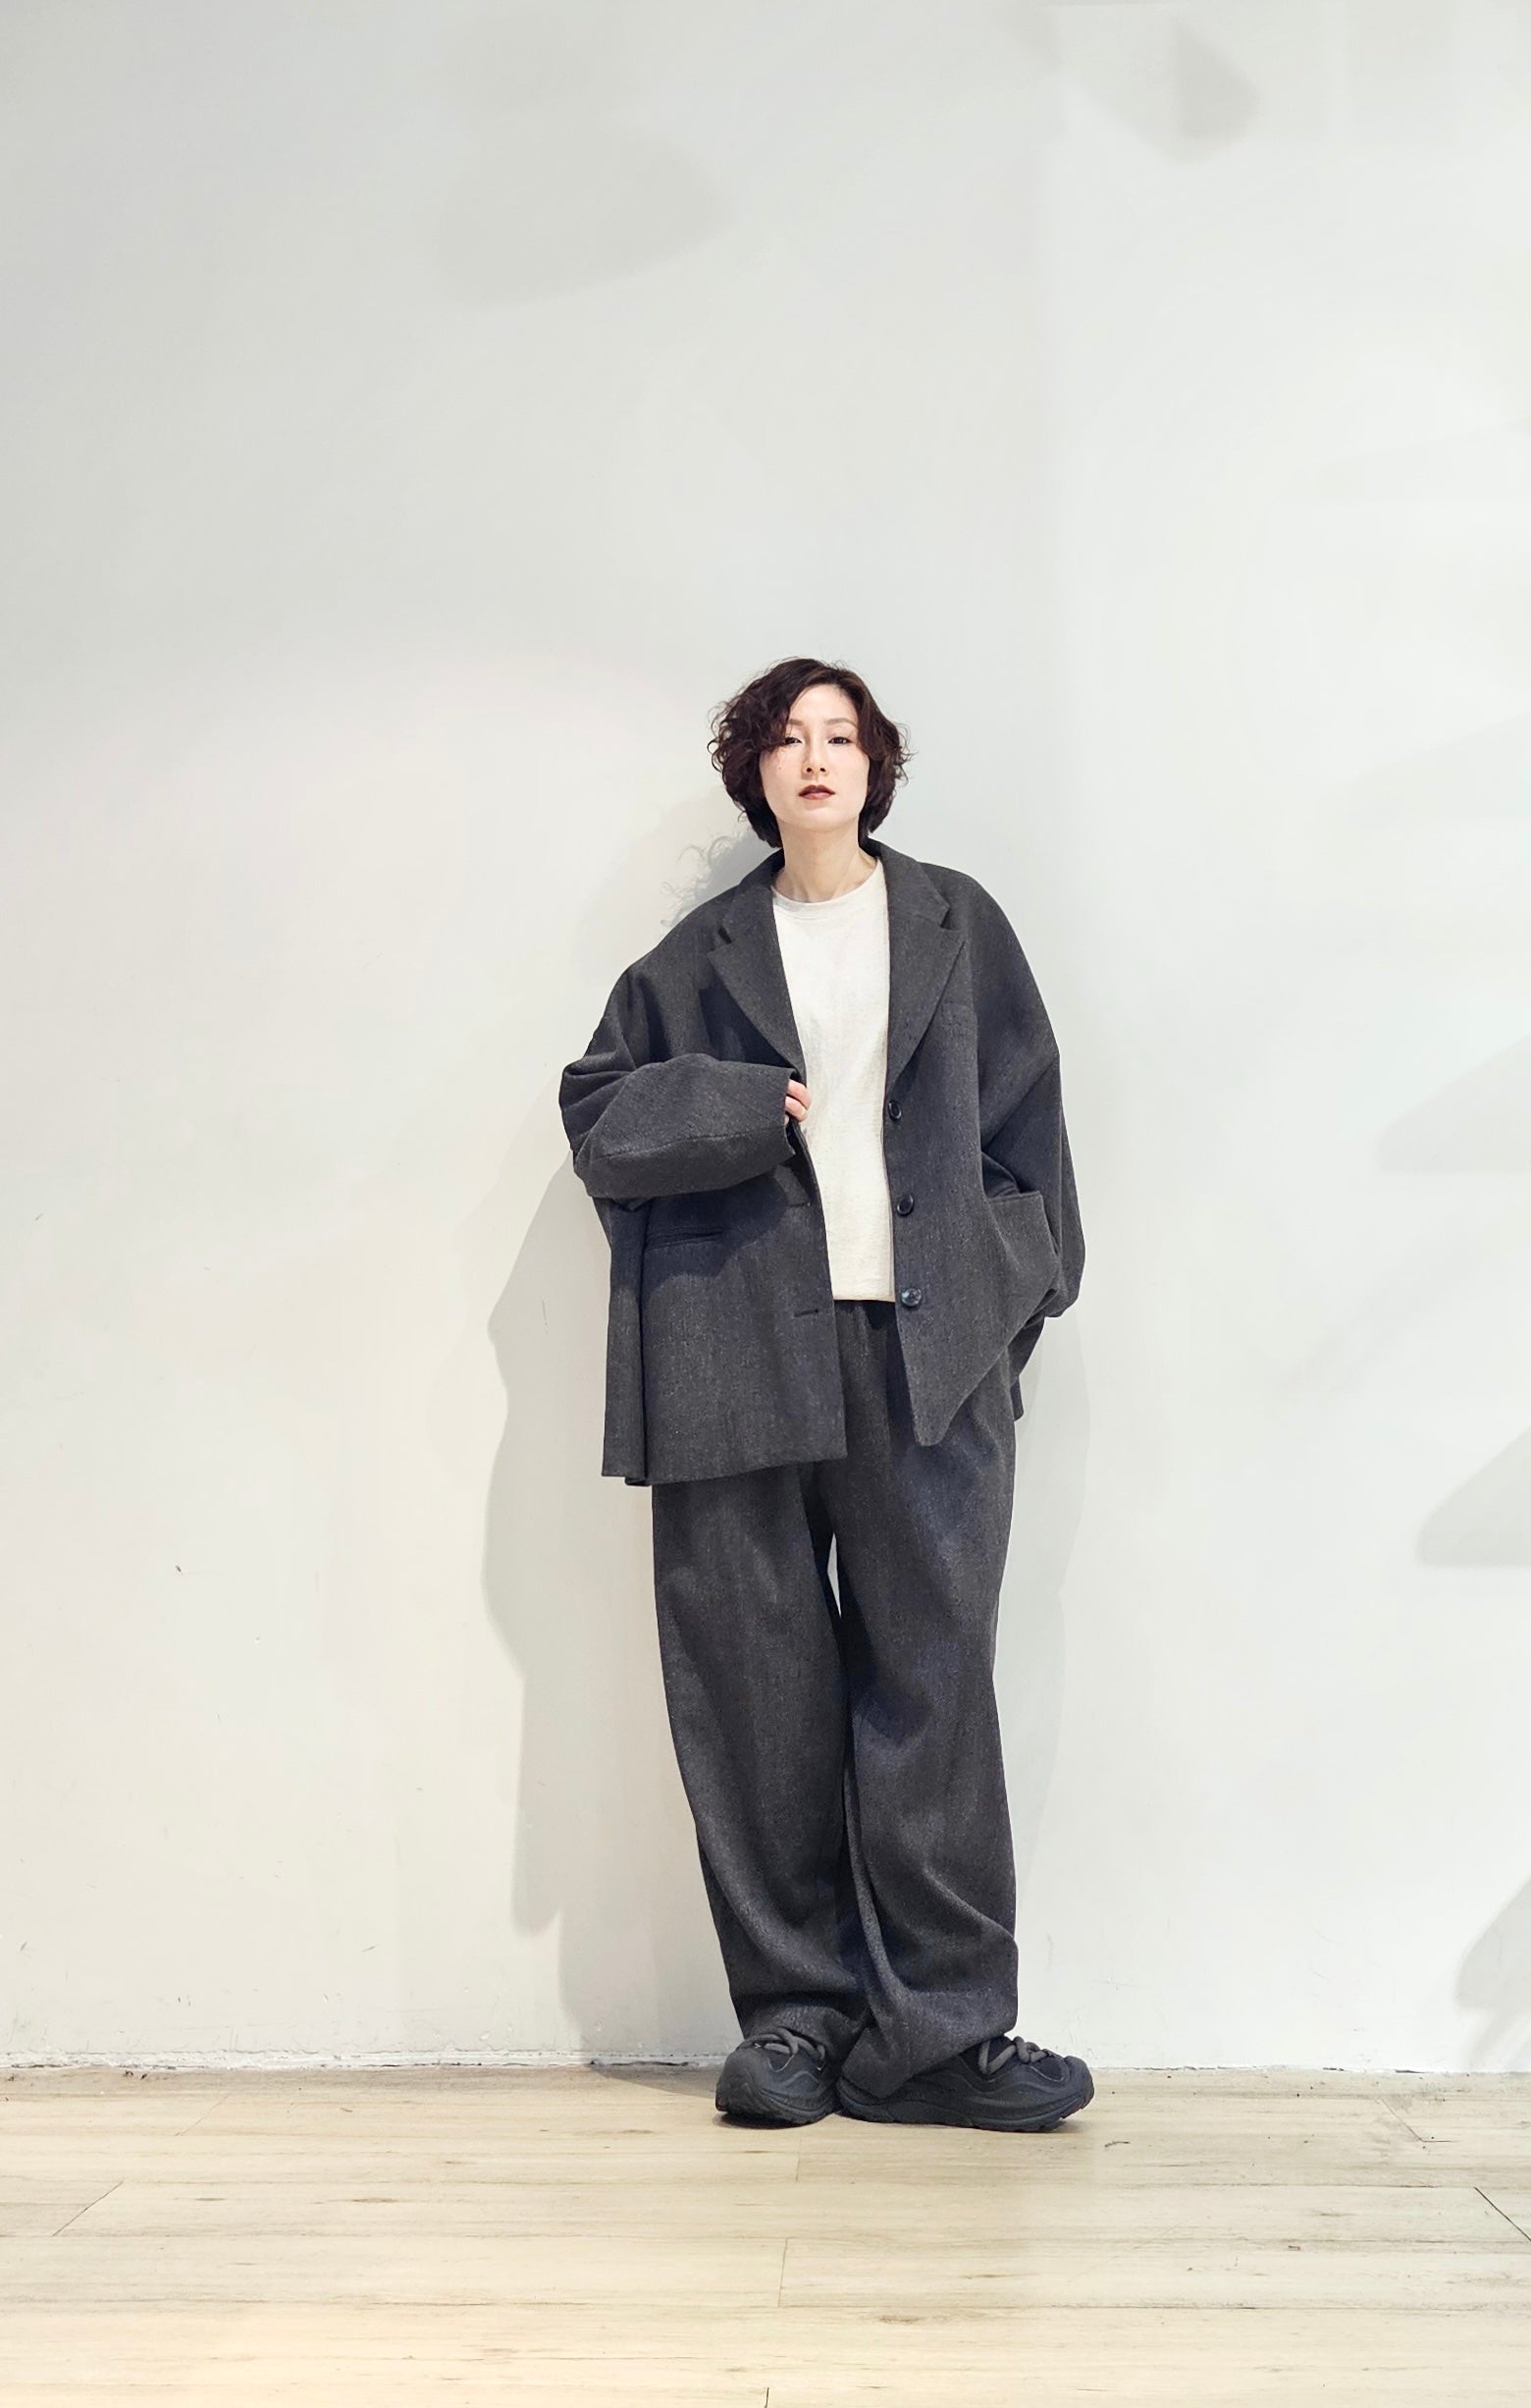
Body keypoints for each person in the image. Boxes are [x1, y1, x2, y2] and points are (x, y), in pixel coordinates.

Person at [557, 656, 1091, 2132]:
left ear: (874, 767)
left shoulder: (957, 924)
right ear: (755, 771)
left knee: (935, 1692)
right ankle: (796, 2020)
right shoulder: (695, 960)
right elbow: (597, 1118)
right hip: (736, 1357)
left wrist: (1014, 1295)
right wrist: (737, 1104)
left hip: (928, 1362)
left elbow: (1032, 1133)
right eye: (789, 737)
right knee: (755, 1697)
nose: (816, 757)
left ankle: (945, 2037)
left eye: (842, 736)